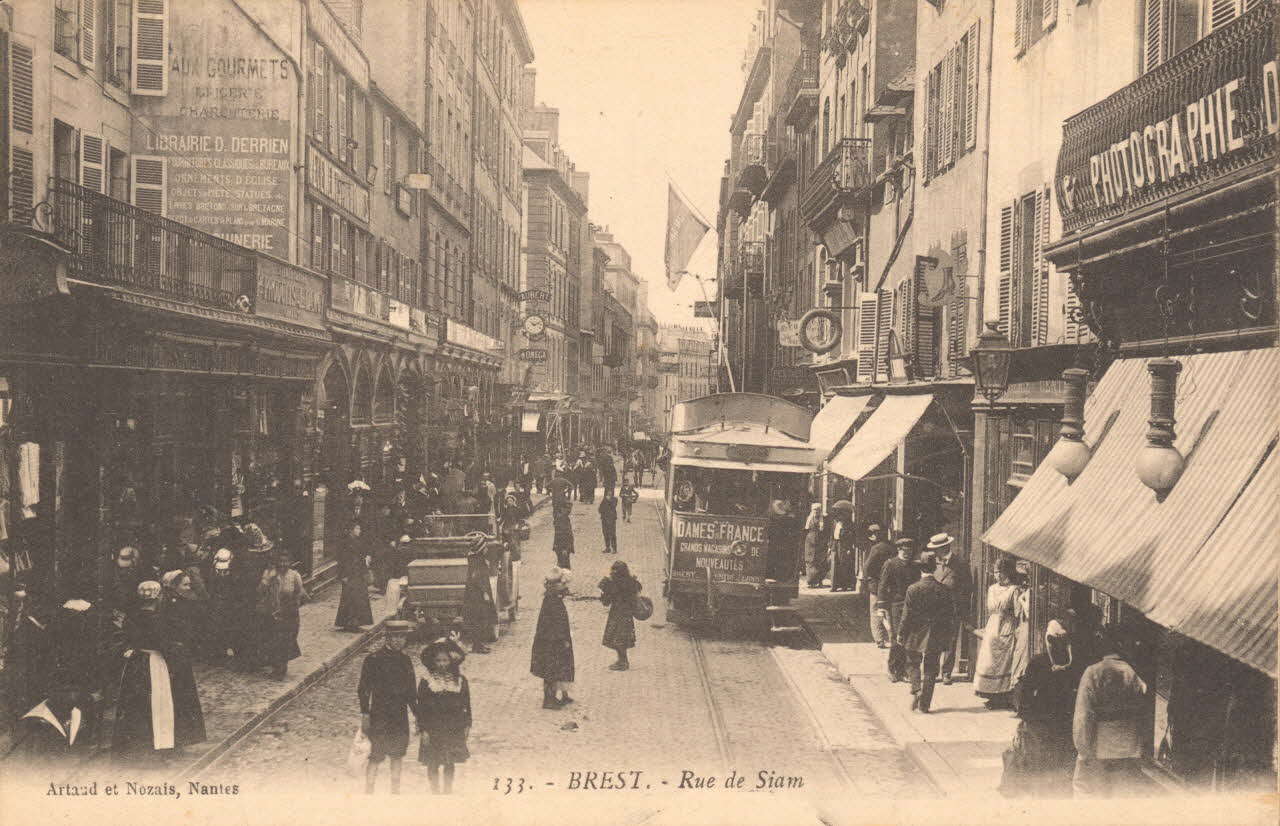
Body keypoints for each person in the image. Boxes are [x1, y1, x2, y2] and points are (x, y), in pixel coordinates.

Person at [111, 581, 206, 762]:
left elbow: (128, 638)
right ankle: (161, 743)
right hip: (156, 662)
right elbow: (163, 642)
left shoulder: (133, 616)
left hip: (137, 663)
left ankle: (139, 744)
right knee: (160, 702)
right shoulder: (157, 618)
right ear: (158, 596)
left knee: (138, 704)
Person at [999, 619, 1085, 798]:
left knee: (1041, 763)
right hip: (1065, 722)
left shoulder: (1039, 662)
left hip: (1040, 723)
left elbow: (1025, 696)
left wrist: (1026, 717)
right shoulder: (1075, 664)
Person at [1072, 626, 1148, 797]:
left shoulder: (1093, 672)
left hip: (1101, 746)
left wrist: (1082, 748)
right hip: (1129, 746)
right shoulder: (1132, 673)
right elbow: (1141, 708)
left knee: (1092, 794)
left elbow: (1084, 714)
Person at [358, 620, 418, 795]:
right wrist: (365, 713)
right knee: (376, 754)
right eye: (395, 637)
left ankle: (395, 791)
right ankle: (369, 790)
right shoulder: (373, 659)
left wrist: (418, 715)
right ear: (387, 639)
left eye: (402, 637)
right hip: (380, 714)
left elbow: (411, 692)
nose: (399, 641)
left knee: (397, 754)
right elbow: (363, 689)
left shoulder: (405, 660)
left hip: (399, 715)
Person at [898, 551, 955, 714]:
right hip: (936, 633)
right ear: (934, 568)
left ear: (920, 569)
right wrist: (947, 635)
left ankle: (916, 689)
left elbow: (906, 615)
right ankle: (925, 705)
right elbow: (949, 615)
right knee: (931, 668)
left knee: (912, 662)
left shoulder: (913, 589)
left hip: (916, 632)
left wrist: (901, 633)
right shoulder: (944, 589)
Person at [974, 556, 1030, 708]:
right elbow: (990, 608)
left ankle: (1003, 696)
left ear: (1008, 573)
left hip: (1007, 627)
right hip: (993, 626)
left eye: (1001, 572)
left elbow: (1018, 612)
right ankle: (991, 695)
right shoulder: (992, 588)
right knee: (990, 662)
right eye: (996, 572)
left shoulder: (1014, 590)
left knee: (1004, 662)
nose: (998, 575)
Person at [417, 641, 472, 794]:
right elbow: (421, 708)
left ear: (451, 661)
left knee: (449, 761)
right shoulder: (427, 681)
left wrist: (467, 724)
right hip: (433, 727)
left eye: (445, 660)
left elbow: (466, 703)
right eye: (438, 660)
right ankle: (434, 790)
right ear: (433, 662)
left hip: (453, 726)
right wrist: (424, 730)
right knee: (432, 762)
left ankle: (448, 789)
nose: (442, 664)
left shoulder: (460, 680)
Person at [257, 551, 309, 680]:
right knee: (272, 638)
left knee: (285, 640)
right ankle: (276, 666)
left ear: (290, 563)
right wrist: (267, 579)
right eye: (280, 561)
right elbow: (261, 591)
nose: (283, 564)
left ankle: (281, 668)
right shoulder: (270, 574)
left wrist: (292, 608)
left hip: (289, 613)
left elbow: (299, 593)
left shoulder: (295, 576)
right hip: (272, 611)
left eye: (286, 561)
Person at [930, 532, 973, 685]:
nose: (935, 552)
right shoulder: (932, 562)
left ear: (945, 547)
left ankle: (946, 673)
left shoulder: (960, 564)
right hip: (935, 610)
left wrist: (961, 609)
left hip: (952, 609)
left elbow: (967, 588)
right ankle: (933, 672)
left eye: (937, 549)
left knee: (950, 641)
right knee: (934, 641)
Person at [531, 568, 575, 709]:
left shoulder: (552, 599)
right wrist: (563, 640)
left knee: (554, 668)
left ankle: (556, 696)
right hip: (552, 642)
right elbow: (555, 625)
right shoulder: (553, 602)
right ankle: (549, 699)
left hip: (552, 641)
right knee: (551, 670)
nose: (567, 589)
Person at [877, 538, 918, 682]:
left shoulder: (914, 566)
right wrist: (881, 606)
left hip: (911, 606)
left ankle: (904, 670)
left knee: (908, 638)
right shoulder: (890, 564)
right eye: (904, 551)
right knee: (896, 638)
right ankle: (892, 668)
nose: (907, 554)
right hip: (896, 605)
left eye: (909, 551)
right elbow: (882, 585)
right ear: (899, 550)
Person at [599, 560, 641, 671]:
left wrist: (604, 586)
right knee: (622, 637)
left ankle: (623, 662)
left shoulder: (613, 584)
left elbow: (606, 601)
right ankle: (622, 660)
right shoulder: (631, 582)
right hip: (627, 614)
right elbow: (638, 588)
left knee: (617, 637)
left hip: (617, 613)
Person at [335, 521, 374, 632]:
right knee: (351, 599)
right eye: (357, 528)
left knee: (358, 598)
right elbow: (342, 560)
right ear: (351, 530)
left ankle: (353, 623)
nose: (359, 531)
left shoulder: (358, 541)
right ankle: (351, 624)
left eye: (359, 528)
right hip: (350, 574)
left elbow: (361, 557)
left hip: (358, 573)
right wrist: (344, 575)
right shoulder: (345, 543)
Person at [862, 524, 894, 648]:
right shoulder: (892, 547)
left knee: (875, 611)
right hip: (890, 584)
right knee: (889, 611)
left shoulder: (876, 548)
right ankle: (892, 637)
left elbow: (867, 567)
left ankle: (879, 639)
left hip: (876, 584)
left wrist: (867, 580)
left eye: (872, 534)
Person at [461, 541, 497, 654]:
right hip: (477, 595)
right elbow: (477, 578)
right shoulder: (478, 561)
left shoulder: (474, 559)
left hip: (474, 594)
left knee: (478, 620)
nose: (487, 549)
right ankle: (478, 646)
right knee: (479, 620)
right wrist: (485, 592)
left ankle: (478, 645)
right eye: (485, 548)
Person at [829, 505, 856, 592]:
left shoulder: (849, 524)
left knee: (844, 565)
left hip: (844, 545)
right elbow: (832, 535)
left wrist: (849, 548)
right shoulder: (835, 523)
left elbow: (851, 537)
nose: (839, 515)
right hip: (836, 544)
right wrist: (830, 546)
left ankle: (844, 585)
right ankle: (834, 586)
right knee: (835, 565)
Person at [803, 505, 829, 589]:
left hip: (820, 541)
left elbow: (827, 531)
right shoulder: (809, 518)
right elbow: (806, 530)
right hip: (810, 541)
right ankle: (811, 581)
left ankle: (820, 581)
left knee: (820, 561)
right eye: (814, 509)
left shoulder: (823, 519)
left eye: (818, 510)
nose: (816, 511)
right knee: (810, 561)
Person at [551, 503, 574, 570]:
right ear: (562, 509)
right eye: (568, 509)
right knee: (564, 565)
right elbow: (562, 535)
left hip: (562, 546)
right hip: (563, 546)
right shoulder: (562, 519)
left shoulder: (562, 517)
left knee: (562, 564)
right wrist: (565, 548)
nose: (569, 511)